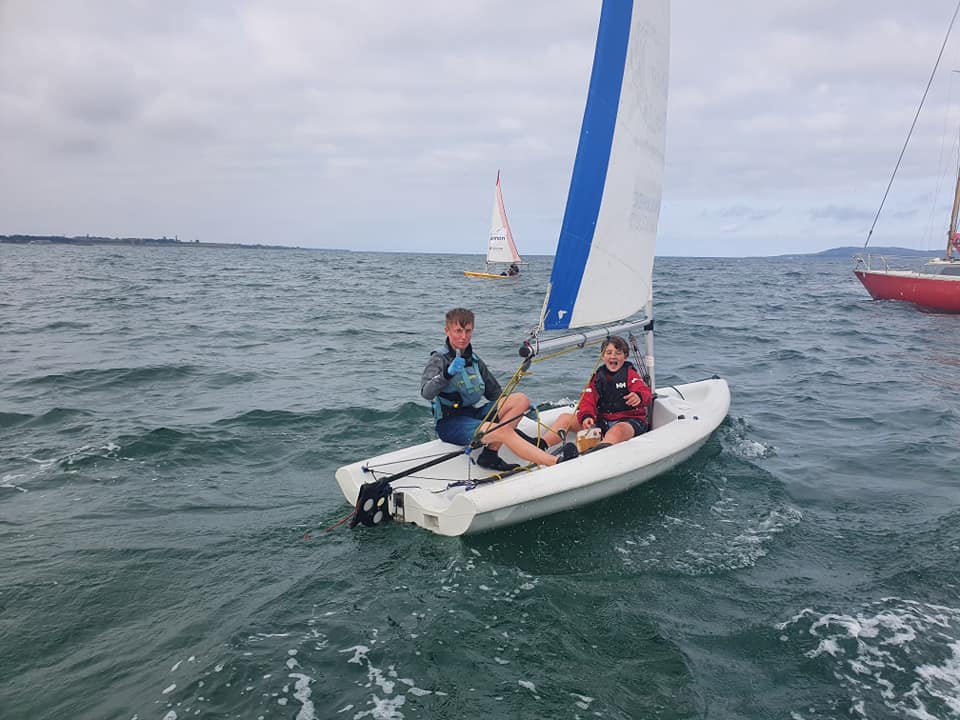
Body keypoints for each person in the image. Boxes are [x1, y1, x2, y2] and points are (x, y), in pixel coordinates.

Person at [421, 308, 563, 470]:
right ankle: (554, 462)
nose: (463, 336)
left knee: (521, 399)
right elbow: (426, 393)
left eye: (468, 331)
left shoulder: (474, 360)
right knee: (503, 431)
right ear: (447, 331)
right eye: (458, 331)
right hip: (450, 423)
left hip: (473, 415)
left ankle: (490, 454)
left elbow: (495, 394)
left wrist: (523, 409)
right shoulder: (438, 359)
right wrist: (447, 373)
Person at [539, 336, 653, 456]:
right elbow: (587, 400)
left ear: (625, 356)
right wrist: (587, 416)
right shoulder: (597, 378)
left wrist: (639, 396)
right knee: (565, 418)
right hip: (603, 423)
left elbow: (645, 392)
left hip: (629, 422)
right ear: (602, 356)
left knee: (617, 431)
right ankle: (541, 445)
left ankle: (597, 452)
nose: (613, 356)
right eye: (609, 353)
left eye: (618, 353)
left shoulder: (630, 374)